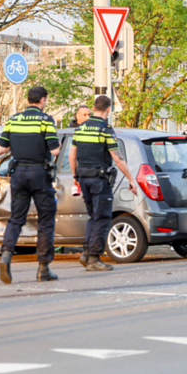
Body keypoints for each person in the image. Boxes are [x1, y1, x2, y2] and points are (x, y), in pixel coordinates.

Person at [0, 85, 61, 284]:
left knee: (16, 218)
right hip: (39, 173)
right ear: (43, 100)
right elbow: (56, 150)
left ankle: (6, 255)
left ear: (27, 100)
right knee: (46, 219)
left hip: (18, 173)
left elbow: (0, 149)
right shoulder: (46, 120)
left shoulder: (13, 120)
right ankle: (43, 268)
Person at [68, 95, 137, 272]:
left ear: (94, 107)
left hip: (83, 177)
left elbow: (72, 155)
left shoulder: (81, 128)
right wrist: (131, 179)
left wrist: (75, 176)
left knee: (93, 216)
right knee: (103, 217)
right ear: (109, 109)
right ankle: (93, 258)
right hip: (99, 179)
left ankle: (86, 253)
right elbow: (117, 157)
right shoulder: (105, 129)